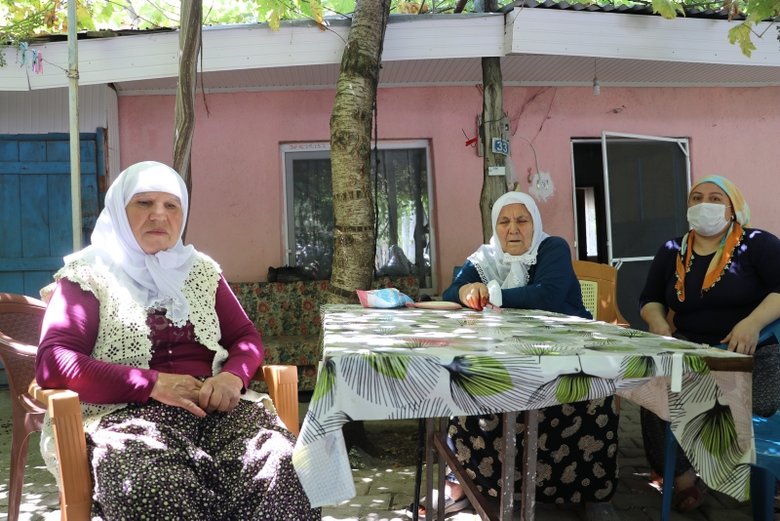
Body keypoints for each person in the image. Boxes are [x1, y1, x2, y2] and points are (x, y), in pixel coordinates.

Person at [35, 161, 320, 520]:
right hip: (129, 419)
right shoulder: (88, 274)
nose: (159, 215)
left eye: (171, 205)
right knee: (151, 486)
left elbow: (245, 338)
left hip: (217, 411)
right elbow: (54, 361)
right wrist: (151, 383)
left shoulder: (200, 270)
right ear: (118, 211)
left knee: (285, 463)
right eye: (144, 203)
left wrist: (232, 377)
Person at [422, 190, 620, 519]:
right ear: (495, 227)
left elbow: (547, 295)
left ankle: (593, 493)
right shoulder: (485, 257)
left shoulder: (552, 247)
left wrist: (493, 295)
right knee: (472, 388)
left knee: (591, 392)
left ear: (535, 223)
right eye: (504, 221)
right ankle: (463, 484)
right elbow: (450, 292)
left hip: (567, 353)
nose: (512, 229)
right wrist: (466, 290)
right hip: (508, 354)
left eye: (522, 220)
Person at [638, 175, 780, 513]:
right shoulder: (672, 250)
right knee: (651, 391)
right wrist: (658, 322)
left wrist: (752, 323)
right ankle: (683, 479)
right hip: (692, 350)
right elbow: (650, 298)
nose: (705, 204)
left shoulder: (758, 243)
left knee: (760, 413)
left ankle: (767, 481)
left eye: (716, 198)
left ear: (733, 208)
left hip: (752, 350)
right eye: (696, 197)